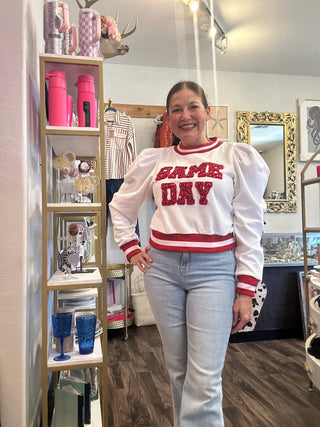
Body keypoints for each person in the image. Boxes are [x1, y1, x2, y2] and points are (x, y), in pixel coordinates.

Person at [109, 81, 269, 426]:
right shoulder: (155, 159)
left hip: (214, 271)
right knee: (178, 369)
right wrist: (131, 247)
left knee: (205, 376)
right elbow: (120, 206)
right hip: (162, 269)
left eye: (193, 106)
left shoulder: (233, 156)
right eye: (176, 110)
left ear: (207, 112)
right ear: (168, 118)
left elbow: (250, 225)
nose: (186, 116)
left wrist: (246, 289)